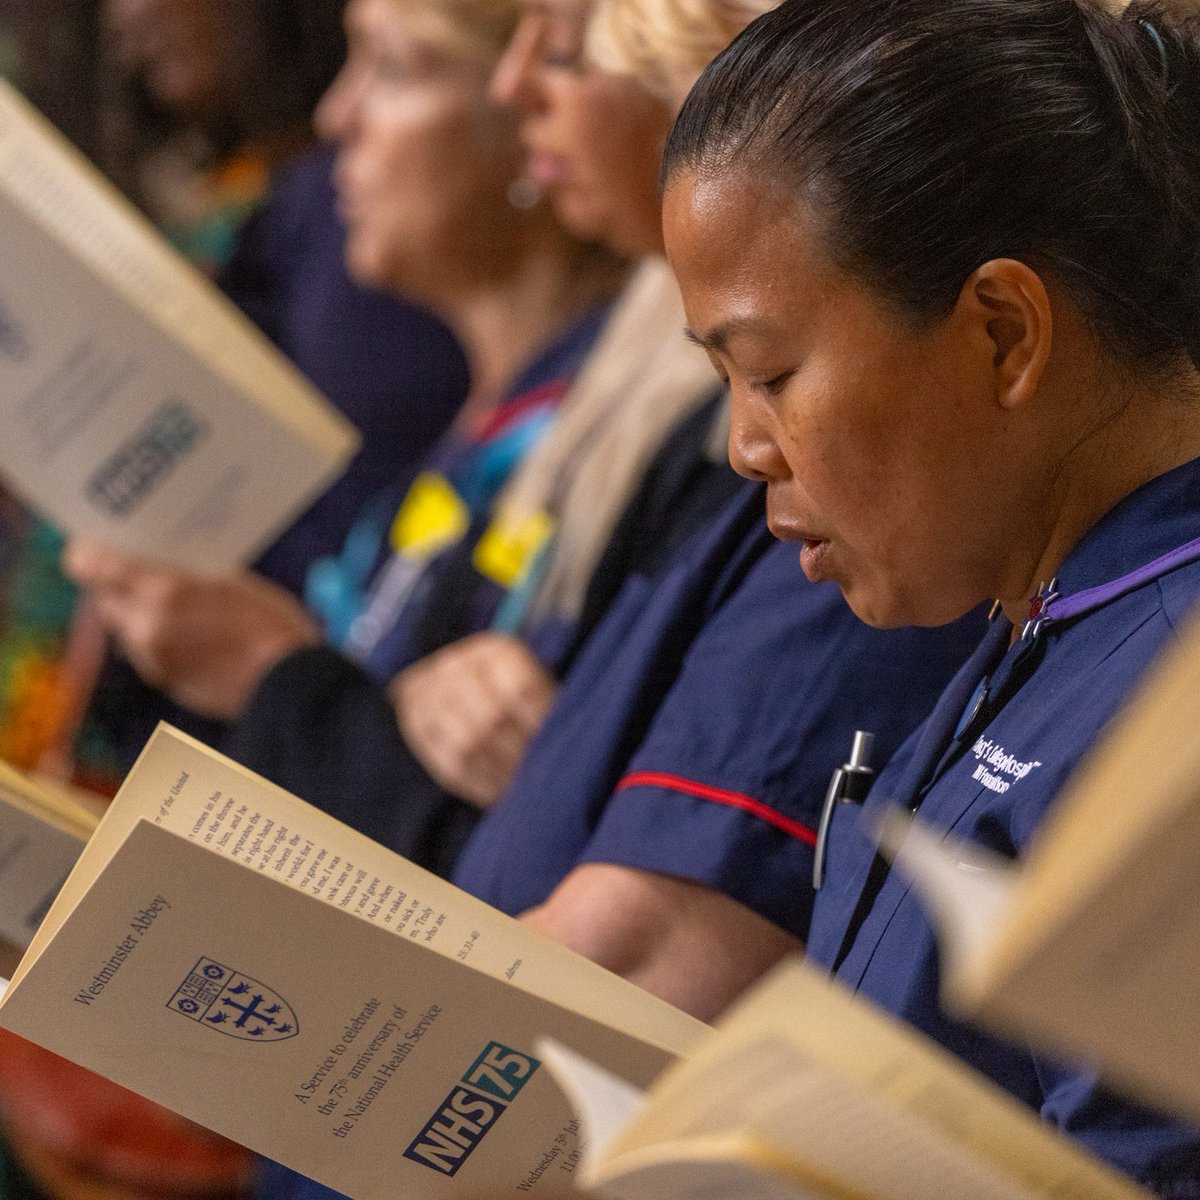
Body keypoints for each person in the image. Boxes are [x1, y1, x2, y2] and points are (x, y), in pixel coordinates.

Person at [660, 0, 1200, 1188]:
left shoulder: (1173, 704)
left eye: (771, 374)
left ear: (1003, 333)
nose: (747, 445)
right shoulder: (1042, 611)